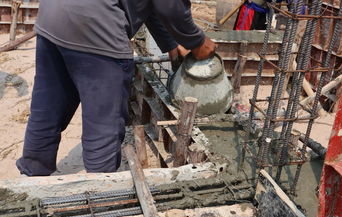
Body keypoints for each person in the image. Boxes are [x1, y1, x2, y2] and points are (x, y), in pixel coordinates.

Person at [16, 0, 216, 176]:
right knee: (103, 123)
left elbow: (150, 6)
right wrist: (197, 41)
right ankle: (101, 194)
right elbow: (168, 5)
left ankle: (32, 176)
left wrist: (171, 44)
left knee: (48, 107)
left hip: (52, 17)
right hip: (97, 26)